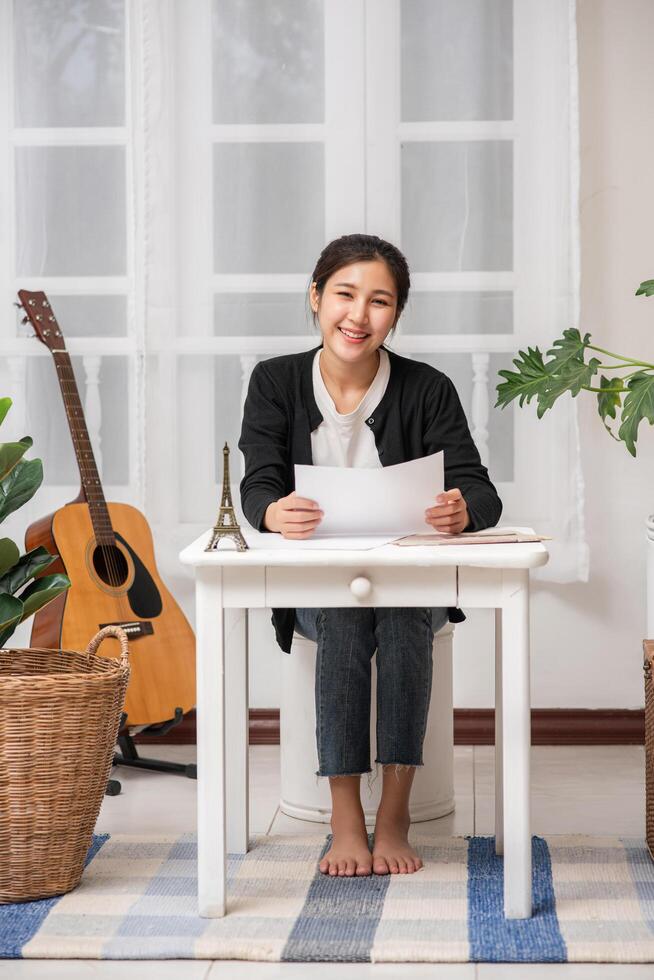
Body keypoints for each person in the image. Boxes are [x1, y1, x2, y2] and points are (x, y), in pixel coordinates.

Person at [238, 233, 502, 879]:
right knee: (347, 612)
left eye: (379, 301)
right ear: (315, 298)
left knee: (404, 611)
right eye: (345, 295)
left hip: (410, 587)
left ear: (396, 315)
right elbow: (257, 483)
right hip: (317, 594)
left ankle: (396, 813)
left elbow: (482, 492)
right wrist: (273, 512)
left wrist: (461, 510)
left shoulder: (428, 388)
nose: (358, 315)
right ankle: (346, 815)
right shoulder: (274, 381)